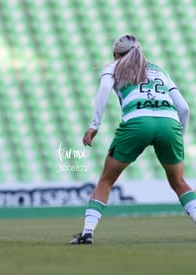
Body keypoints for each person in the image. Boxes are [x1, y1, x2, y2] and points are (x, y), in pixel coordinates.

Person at [70, 34, 196, 244]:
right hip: (169, 123)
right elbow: (184, 108)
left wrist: (94, 125)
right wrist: (178, 136)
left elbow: (103, 90)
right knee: (179, 182)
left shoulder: (114, 67)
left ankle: (87, 233)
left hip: (137, 122)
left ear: (115, 54)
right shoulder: (159, 70)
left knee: (106, 180)